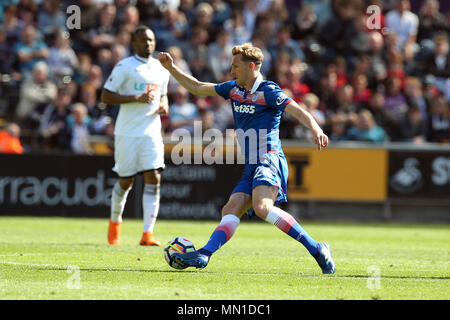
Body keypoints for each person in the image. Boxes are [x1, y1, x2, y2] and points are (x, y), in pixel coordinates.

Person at [158, 42, 336, 274]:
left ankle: (317, 249)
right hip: (252, 163)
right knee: (231, 208)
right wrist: (171, 68)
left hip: (270, 159)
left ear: (251, 66)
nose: (231, 72)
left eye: (235, 67)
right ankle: (204, 254)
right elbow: (198, 87)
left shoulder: (269, 91)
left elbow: (299, 111)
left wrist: (316, 130)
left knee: (262, 207)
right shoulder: (234, 89)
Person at [101, 26, 170, 246]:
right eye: (143, 40)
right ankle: (115, 224)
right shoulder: (125, 66)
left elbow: (164, 95)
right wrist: (134, 98)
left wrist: (164, 106)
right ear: (134, 43)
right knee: (126, 180)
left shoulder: (161, 69)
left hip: (151, 132)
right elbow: (105, 96)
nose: (148, 44)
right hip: (127, 133)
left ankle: (147, 233)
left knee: (154, 178)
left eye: (151, 40)